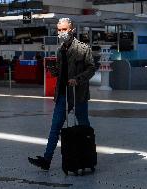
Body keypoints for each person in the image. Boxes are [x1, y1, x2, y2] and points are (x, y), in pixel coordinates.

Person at [28, 18, 96, 170]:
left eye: (64, 29)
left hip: (78, 94)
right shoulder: (60, 50)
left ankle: (89, 158)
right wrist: (54, 71)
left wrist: (77, 80)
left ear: (72, 30)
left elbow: (91, 68)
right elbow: (61, 71)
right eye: (59, 30)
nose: (61, 33)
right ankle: (46, 159)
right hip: (63, 94)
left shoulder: (83, 48)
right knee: (55, 126)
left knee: (84, 127)